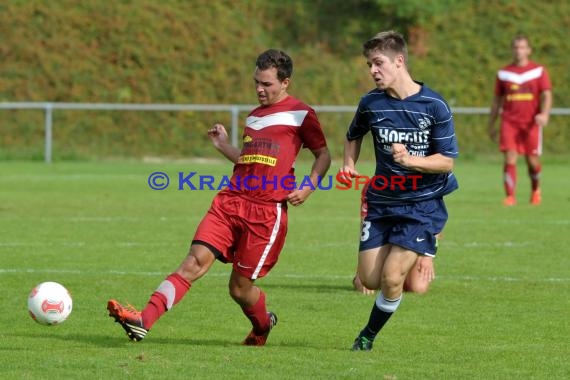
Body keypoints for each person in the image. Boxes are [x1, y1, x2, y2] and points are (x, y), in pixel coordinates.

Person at [107, 49, 331, 346]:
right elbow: (248, 159)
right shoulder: (253, 117)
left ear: (285, 82)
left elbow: (323, 155)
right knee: (193, 263)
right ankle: (142, 321)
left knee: (239, 289)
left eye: (267, 84)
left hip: (266, 212)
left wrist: (309, 186)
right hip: (229, 202)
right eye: (256, 83)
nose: (259, 89)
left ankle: (262, 326)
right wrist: (223, 145)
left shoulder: (301, 114)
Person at [340, 31, 458, 351]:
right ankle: (409, 255)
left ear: (399, 61)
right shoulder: (370, 103)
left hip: (421, 206)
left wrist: (411, 160)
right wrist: (349, 164)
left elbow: (446, 162)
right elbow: (353, 134)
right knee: (368, 279)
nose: (372, 70)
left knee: (393, 278)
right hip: (381, 204)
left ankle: (367, 336)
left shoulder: (434, 105)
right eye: (369, 65)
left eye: (378, 63)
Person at [488, 33, 552, 206]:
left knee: (532, 161)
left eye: (523, 47)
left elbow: (546, 94)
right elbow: (496, 101)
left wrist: (544, 114)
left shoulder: (538, 71)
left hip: (531, 123)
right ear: (512, 50)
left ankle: (535, 190)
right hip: (509, 121)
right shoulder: (504, 74)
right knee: (510, 157)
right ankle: (510, 196)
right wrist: (491, 124)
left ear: (529, 50)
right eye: (516, 47)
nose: (519, 51)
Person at [352, 183, 436, 296]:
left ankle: (398, 274)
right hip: (384, 240)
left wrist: (427, 256)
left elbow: (434, 223)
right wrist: (362, 266)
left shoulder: (423, 184)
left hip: (411, 239)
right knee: (365, 282)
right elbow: (365, 227)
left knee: (418, 288)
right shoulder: (373, 187)